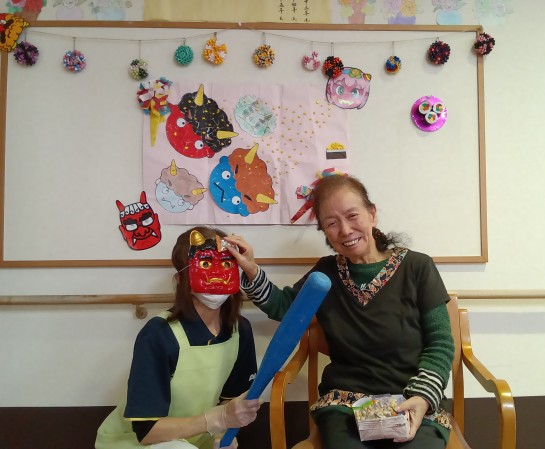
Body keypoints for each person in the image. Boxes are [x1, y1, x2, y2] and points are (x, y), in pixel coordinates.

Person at [225, 175, 454, 449]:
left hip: (411, 397)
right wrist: (251, 269)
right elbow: (284, 307)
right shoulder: (327, 271)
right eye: (332, 223)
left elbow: (440, 342)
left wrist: (423, 397)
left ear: (372, 214)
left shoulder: (417, 267)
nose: (345, 230)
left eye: (352, 216)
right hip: (347, 405)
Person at [96, 226, 261, 449]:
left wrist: (224, 434)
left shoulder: (240, 330)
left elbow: (231, 400)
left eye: (225, 264)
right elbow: (146, 432)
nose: (216, 274)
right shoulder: (158, 334)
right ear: (181, 277)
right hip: (136, 443)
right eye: (205, 264)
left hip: (199, 439)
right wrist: (218, 419)